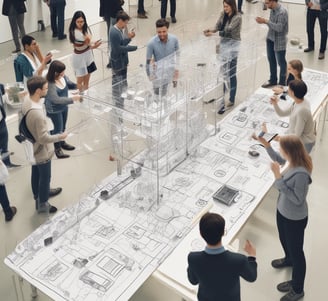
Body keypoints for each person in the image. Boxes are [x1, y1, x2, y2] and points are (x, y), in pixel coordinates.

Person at [259, 135, 312, 301]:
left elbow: (298, 200)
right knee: (284, 240)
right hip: (283, 212)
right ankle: (288, 259)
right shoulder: (291, 161)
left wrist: (278, 178)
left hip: (294, 218)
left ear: (289, 151)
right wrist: (267, 146)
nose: (280, 151)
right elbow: (279, 159)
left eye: (282, 148)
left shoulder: (301, 173)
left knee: (297, 252)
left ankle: (298, 289)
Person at [187, 212, 257, 301]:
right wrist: (252, 256)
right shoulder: (239, 260)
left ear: (201, 234)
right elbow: (252, 277)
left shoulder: (193, 258)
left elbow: (193, 281)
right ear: (223, 232)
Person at [22, 76, 67, 214]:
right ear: (37, 91)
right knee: (45, 177)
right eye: (46, 88)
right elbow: (43, 138)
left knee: (36, 172)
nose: (48, 90)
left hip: (32, 147)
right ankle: (43, 203)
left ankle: (40, 194)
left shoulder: (27, 100)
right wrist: (60, 136)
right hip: (41, 151)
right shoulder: (37, 115)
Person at [204, 0, 242, 114]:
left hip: (233, 46)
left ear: (232, 6)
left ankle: (231, 98)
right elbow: (218, 26)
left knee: (231, 73)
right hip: (223, 45)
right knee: (223, 72)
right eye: (224, 6)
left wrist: (215, 34)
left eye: (227, 6)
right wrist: (211, 30)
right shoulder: (222, 14)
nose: (225, 8)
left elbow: (228, 31)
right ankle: (221, 97)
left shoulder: (238, 17)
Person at [45, 60, 82, 159]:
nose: (63, 74)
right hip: (54, 109)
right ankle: (57, 149)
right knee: (56, 129)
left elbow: (69, 84)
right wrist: (72, 99)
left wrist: (78, 86)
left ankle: (62, 142)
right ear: (55, 72)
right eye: (61, 72)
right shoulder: (50, 83)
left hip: (64, 106)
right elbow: (55, 99)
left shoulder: (63, 77)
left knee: (63, 126)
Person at [270, 79, 316, 153]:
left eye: (289, 89)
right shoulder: (299, 101)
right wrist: (275, 104)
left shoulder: (302, 110)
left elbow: (296, 135)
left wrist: (280, 139)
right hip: (296, 141)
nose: (287, 90)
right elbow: (282, 113)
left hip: (304, 144)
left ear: (293, 93)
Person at [146, 18, 179, 106]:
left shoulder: (174, 39)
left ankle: (165, 110)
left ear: (168, 29)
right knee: (157, 95)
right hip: (158, 73)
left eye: (164, 31)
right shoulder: (151, 43)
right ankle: (157, 110)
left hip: (170, 71)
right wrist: (149, 75)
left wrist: (177, 70)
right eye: (159, 32)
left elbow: (178, 55)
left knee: (167, 93)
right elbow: (148, 61)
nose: (161, 34)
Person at [256, 0, 288, 88]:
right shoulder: (272, 10)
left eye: (267, 2)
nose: (266, 4)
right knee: (271, 60)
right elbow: (272, 25)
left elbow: (279, 28)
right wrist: (264, 22)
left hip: (279, 41)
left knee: (281, 62)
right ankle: (273, 80)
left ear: (273, 1)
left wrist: (265, 21)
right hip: (270, 39)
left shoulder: (282, 12)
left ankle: (282, 83)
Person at [110, 11, 137, 110]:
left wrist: (129, 38)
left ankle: (121, 101)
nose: (126, 25)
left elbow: (122, 43)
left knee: (123, 81)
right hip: (117, 62)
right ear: (120, 21)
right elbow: (118, 48)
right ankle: (118, 103)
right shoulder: (114, 32)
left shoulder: (119, 30)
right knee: (118, 83)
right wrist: (133, 48)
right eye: (125, 23)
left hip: (122, 61)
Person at [69, 10, 102, 92]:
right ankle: (81, 98)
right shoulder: (75, 33)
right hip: (79, 59)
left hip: (88, 56)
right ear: (74, 21)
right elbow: (87, 43)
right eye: (78, 22)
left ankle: (86, 97)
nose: (80, 24)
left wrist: (92, 43)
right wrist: (93, 45)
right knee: (80, 81)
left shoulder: (85, 29)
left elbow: (88, 43)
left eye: (82, 21)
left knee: (86, 82)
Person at [0, 84, 20, 168]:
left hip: (1, 120)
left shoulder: (0, 86)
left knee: (4, 141)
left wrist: (12, 93)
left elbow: (3, 100)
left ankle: (6, 162)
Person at [99, 0, 124, 68]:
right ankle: (114, 58)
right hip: (111, 10)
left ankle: (115, 58)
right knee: (113, 35)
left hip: (112, 10)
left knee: (114, 34)